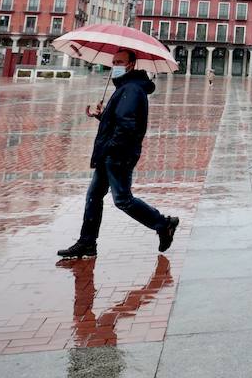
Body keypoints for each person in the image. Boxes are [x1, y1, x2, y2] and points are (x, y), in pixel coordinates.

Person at [58, 48, 178, 259]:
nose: (115, 65)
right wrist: (101, 116)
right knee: (94, 196)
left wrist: (112, 148)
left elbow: (126, 125)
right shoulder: (126, 87)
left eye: (119, 62)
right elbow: (119, 120)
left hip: (118, 154)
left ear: (131, 65)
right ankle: (87, 242)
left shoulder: (131, 89)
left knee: (122, 199)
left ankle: (163, 223)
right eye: (114, 62)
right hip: (112, 152)